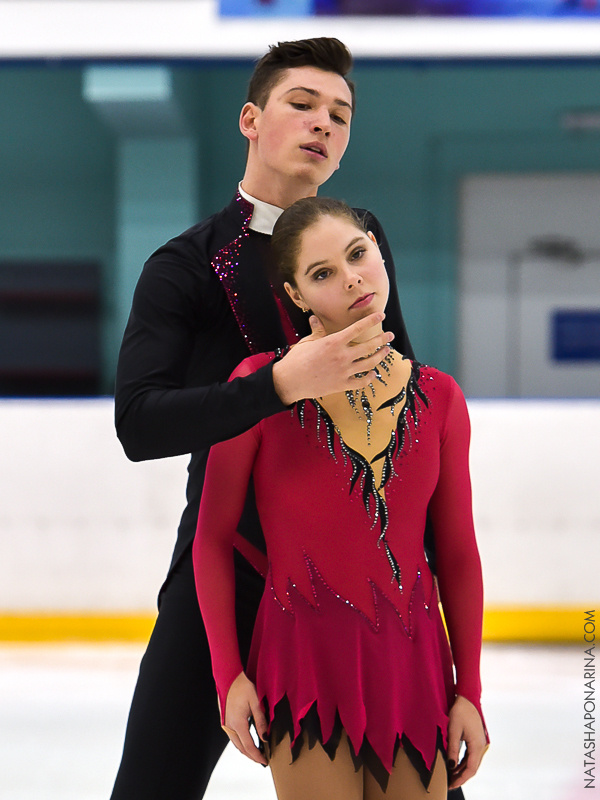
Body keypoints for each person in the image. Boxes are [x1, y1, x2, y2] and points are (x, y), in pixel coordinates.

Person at [112, 37, 430, 800]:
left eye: (340, 115)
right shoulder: (186, 266)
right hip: (231, 565)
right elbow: (140, 424)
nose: (324, 123)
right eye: (303, 104)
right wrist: (282, 383)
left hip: (362, 577)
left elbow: (406, 405)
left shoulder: (362, 238)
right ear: (251, 120)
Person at [193, 197, 489, 800]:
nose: (351, 278)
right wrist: (229, 677)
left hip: (414, 667)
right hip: (304, 662)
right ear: (296, 295)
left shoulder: (441, 398)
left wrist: (471, 692)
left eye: (357, 254)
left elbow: (458, 555)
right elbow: (212, 540)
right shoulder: (259, 388)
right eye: (322, 272)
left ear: (378, 252)